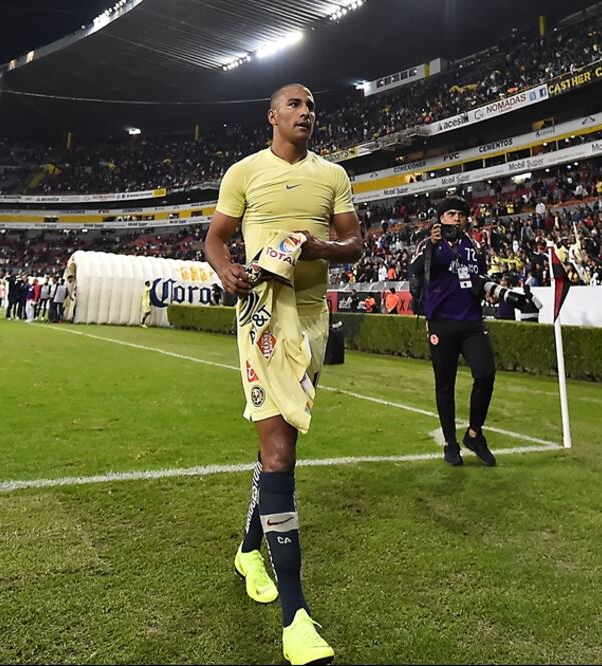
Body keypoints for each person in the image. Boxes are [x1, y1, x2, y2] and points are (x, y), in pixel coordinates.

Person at [203, 83, 361, 666]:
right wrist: (225, 270)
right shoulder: (244, 172)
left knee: (281, 443)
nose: (305, 112)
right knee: (278, 451)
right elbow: (216, 239)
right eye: (295, 104)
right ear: (272, 115)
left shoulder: (333, 175)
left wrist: (322, 249)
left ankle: (249, 551)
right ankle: (296, 617)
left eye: (311, 106)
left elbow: (355, 243)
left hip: (313, 319)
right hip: (263, 314)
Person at [407, 195, 498, 468]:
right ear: (441, 218)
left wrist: (488, 290)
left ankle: (474, 434)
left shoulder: (474, 245)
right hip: (441, 322)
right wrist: (432, 245)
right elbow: (413, 269)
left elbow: (481, 277)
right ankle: (450, 442)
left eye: (460, 214)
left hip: (472, 321)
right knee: (445, 384)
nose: (456, 218)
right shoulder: (429, 243)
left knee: (486, 373)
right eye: (451, 214)